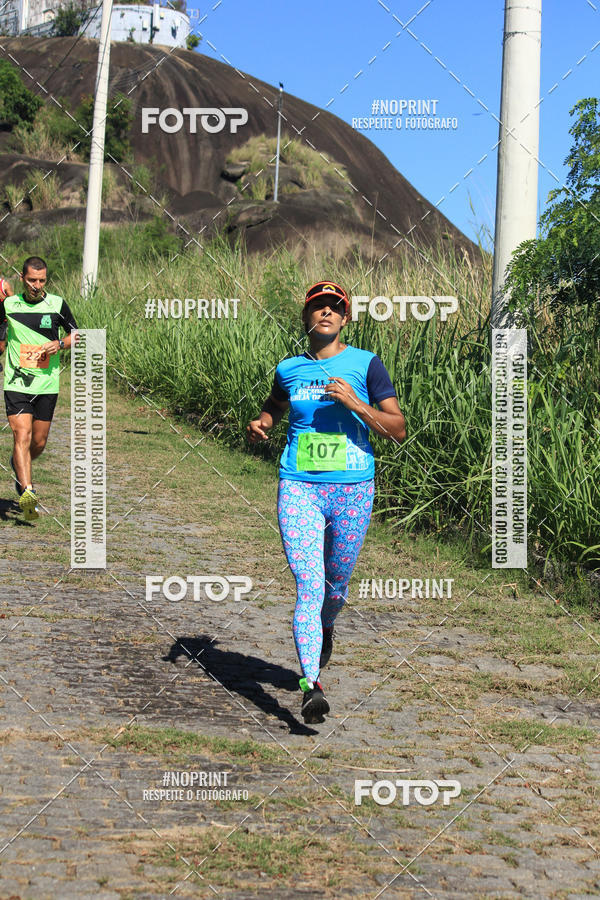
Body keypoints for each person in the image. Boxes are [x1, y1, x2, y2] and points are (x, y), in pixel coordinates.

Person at [247, 281, 406, 724]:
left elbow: (397, 428)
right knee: (309, 583)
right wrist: (261, 423)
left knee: (334, 586)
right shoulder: (289, 368)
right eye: (317, 306)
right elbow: (274, 406)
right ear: (306, 316)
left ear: (346, 318)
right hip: (298, 485)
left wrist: (355, 402)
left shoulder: (366, 365)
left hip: (353, 489)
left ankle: (327, 625)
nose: (325, 313)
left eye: (335, 308)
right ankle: (311, 684)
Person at [2, 257, 77, 519]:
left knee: (39, 442)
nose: (37, 285)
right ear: (22, 278)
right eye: (32, 280)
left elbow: (78, 334)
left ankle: (18, 464)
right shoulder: (9, 305)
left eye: (42, 280)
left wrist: (61, 344)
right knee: (21, 436)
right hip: (17, 382)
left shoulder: (56, 304)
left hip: (47, 383)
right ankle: (28, 494)